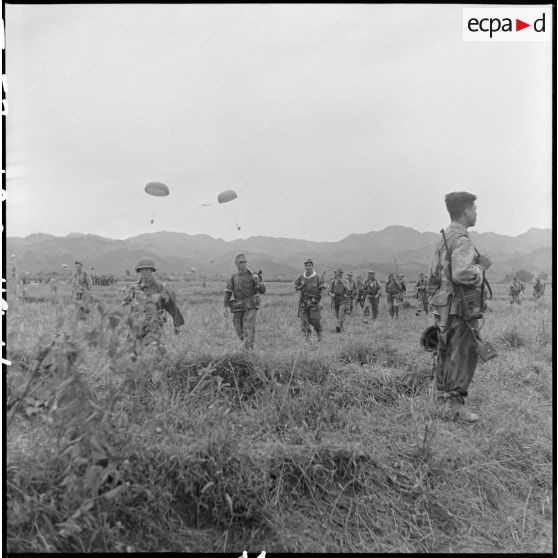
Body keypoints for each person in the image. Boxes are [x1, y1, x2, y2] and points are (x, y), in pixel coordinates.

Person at [427, 191, 492, 422]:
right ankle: (455, 406)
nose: (476, 213)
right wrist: (480, 268)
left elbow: (433, 276)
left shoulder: (442, 238)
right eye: (474, 209)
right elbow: (461, 273)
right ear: (465, 210)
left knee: (444, 352)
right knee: (462, 355)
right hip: (461, 308)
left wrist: (436, 303)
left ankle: (441, 400)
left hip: (443, 307)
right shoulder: (462, 240)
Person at [123, 257, 184, 345]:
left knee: (148, 350)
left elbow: (171, 305)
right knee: (130, 349)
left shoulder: (160, 287)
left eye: (147, 269)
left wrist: (177, 324)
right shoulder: (134, 287)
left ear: (152, 271)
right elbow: (125, 302)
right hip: (137, 325)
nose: (145, 272)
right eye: (142, 269)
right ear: (139, 271)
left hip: (154, 325)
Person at [223, 253, 266, 349]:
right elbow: (228, 292)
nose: (243, 264)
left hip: (251, 306)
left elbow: (263, 290)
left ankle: (248, 354)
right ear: (236, 263)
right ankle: (247, 348)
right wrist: (225, 307)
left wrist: (257, 282)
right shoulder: (233, 277)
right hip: (238, 307)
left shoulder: (253, 276)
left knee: (248, 329)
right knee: (239, 330)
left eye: (244, 262)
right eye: (241, 262)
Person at [295, 258, 326, 341]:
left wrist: (318, 298)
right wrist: (301, 286)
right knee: (304, 320)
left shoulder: (318, 277)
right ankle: (306, 336)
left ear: (312, 266)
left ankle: (319, 333)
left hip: (314, 302)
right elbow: (296, 288)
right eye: (306, 266)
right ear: (304, 267)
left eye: (309, 265)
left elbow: (321, 289)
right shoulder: (301, 277)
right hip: (303, 302)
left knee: (314, 320)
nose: (308, 267)